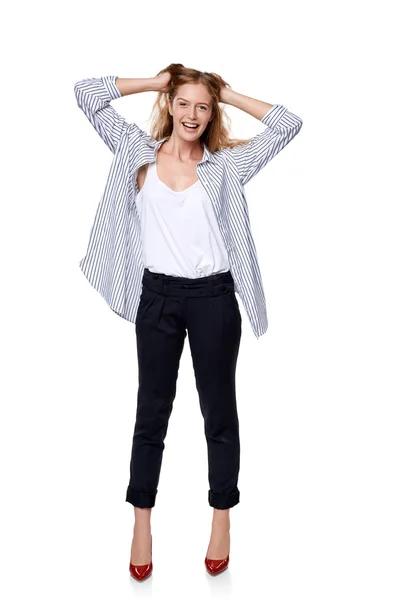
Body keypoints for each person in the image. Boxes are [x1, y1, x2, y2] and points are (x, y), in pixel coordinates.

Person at [74, 64, 303, 581]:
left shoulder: (226, 167)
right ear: (170, 105)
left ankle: (221, 518)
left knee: (218, 412)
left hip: (213, 298)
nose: (193, 114)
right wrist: (155, 81)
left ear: (211, 111)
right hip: (156, 296)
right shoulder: (137, 151)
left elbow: (288, 125)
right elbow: (86, 94)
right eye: (183, 103)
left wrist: (229, 92)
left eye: (203, 106)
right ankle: (141, 523)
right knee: (150, 413)